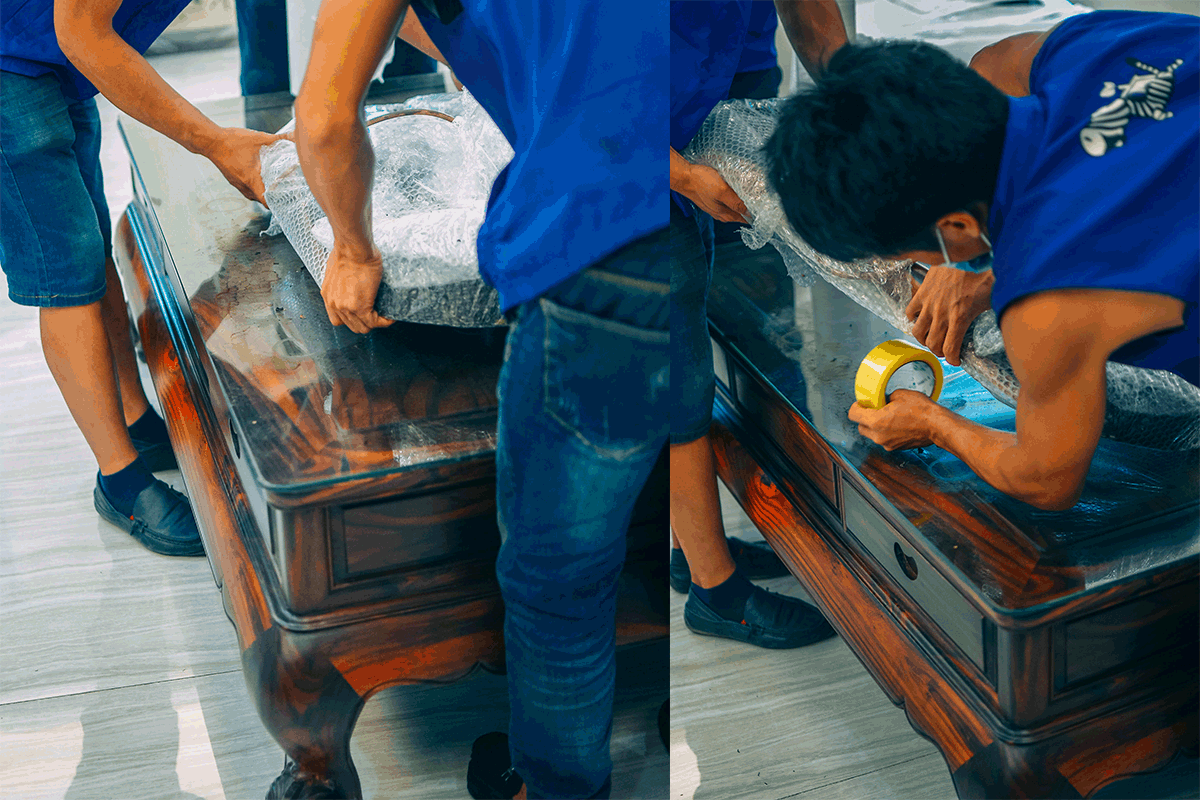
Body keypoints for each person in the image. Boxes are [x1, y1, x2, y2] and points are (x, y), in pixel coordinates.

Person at [289, 1, 667, 798]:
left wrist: (353, 248)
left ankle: (559, 785)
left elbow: (323, 118)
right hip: (687, 197)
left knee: (560, 574)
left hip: (593, 246)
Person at [766, 10, 1198, 510]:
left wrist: (932, 423)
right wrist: (963, 260)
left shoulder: (1047, 302)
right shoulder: (1089, 46)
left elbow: (1047, 480)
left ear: (957, 225)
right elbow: (992, 65)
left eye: (912, 254)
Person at [0, 0, 283, 556]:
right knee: (64, 272)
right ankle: (121, 482)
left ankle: (134, 419)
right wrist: (214, 142)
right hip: (13, 59)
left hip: (49, 56)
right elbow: (82, 31)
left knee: (88, 238)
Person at [668, 0, 847, 648]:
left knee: (749, 319)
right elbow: (578, 104)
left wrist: (859, 102)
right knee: (674, 359)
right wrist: (683, 176)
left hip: (708, 76)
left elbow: (807, 8)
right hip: (621, 133)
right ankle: (715, 592)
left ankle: (697, 544)